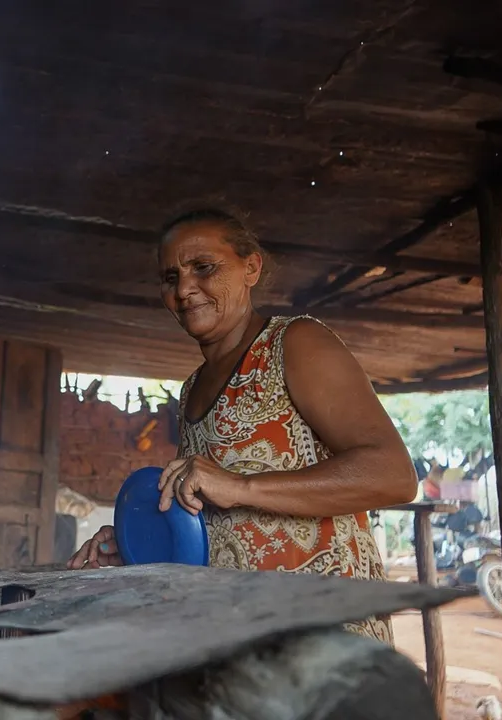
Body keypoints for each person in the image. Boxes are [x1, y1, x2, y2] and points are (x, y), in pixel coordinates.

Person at [67, 207, 418, 644]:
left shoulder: (295, 344)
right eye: (170, 277)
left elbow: (395, 475)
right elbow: (211, 516)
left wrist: (242, 487)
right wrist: (138, 542)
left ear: (251, 267)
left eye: (204, 268)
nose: (185, 289)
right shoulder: (192, 388)